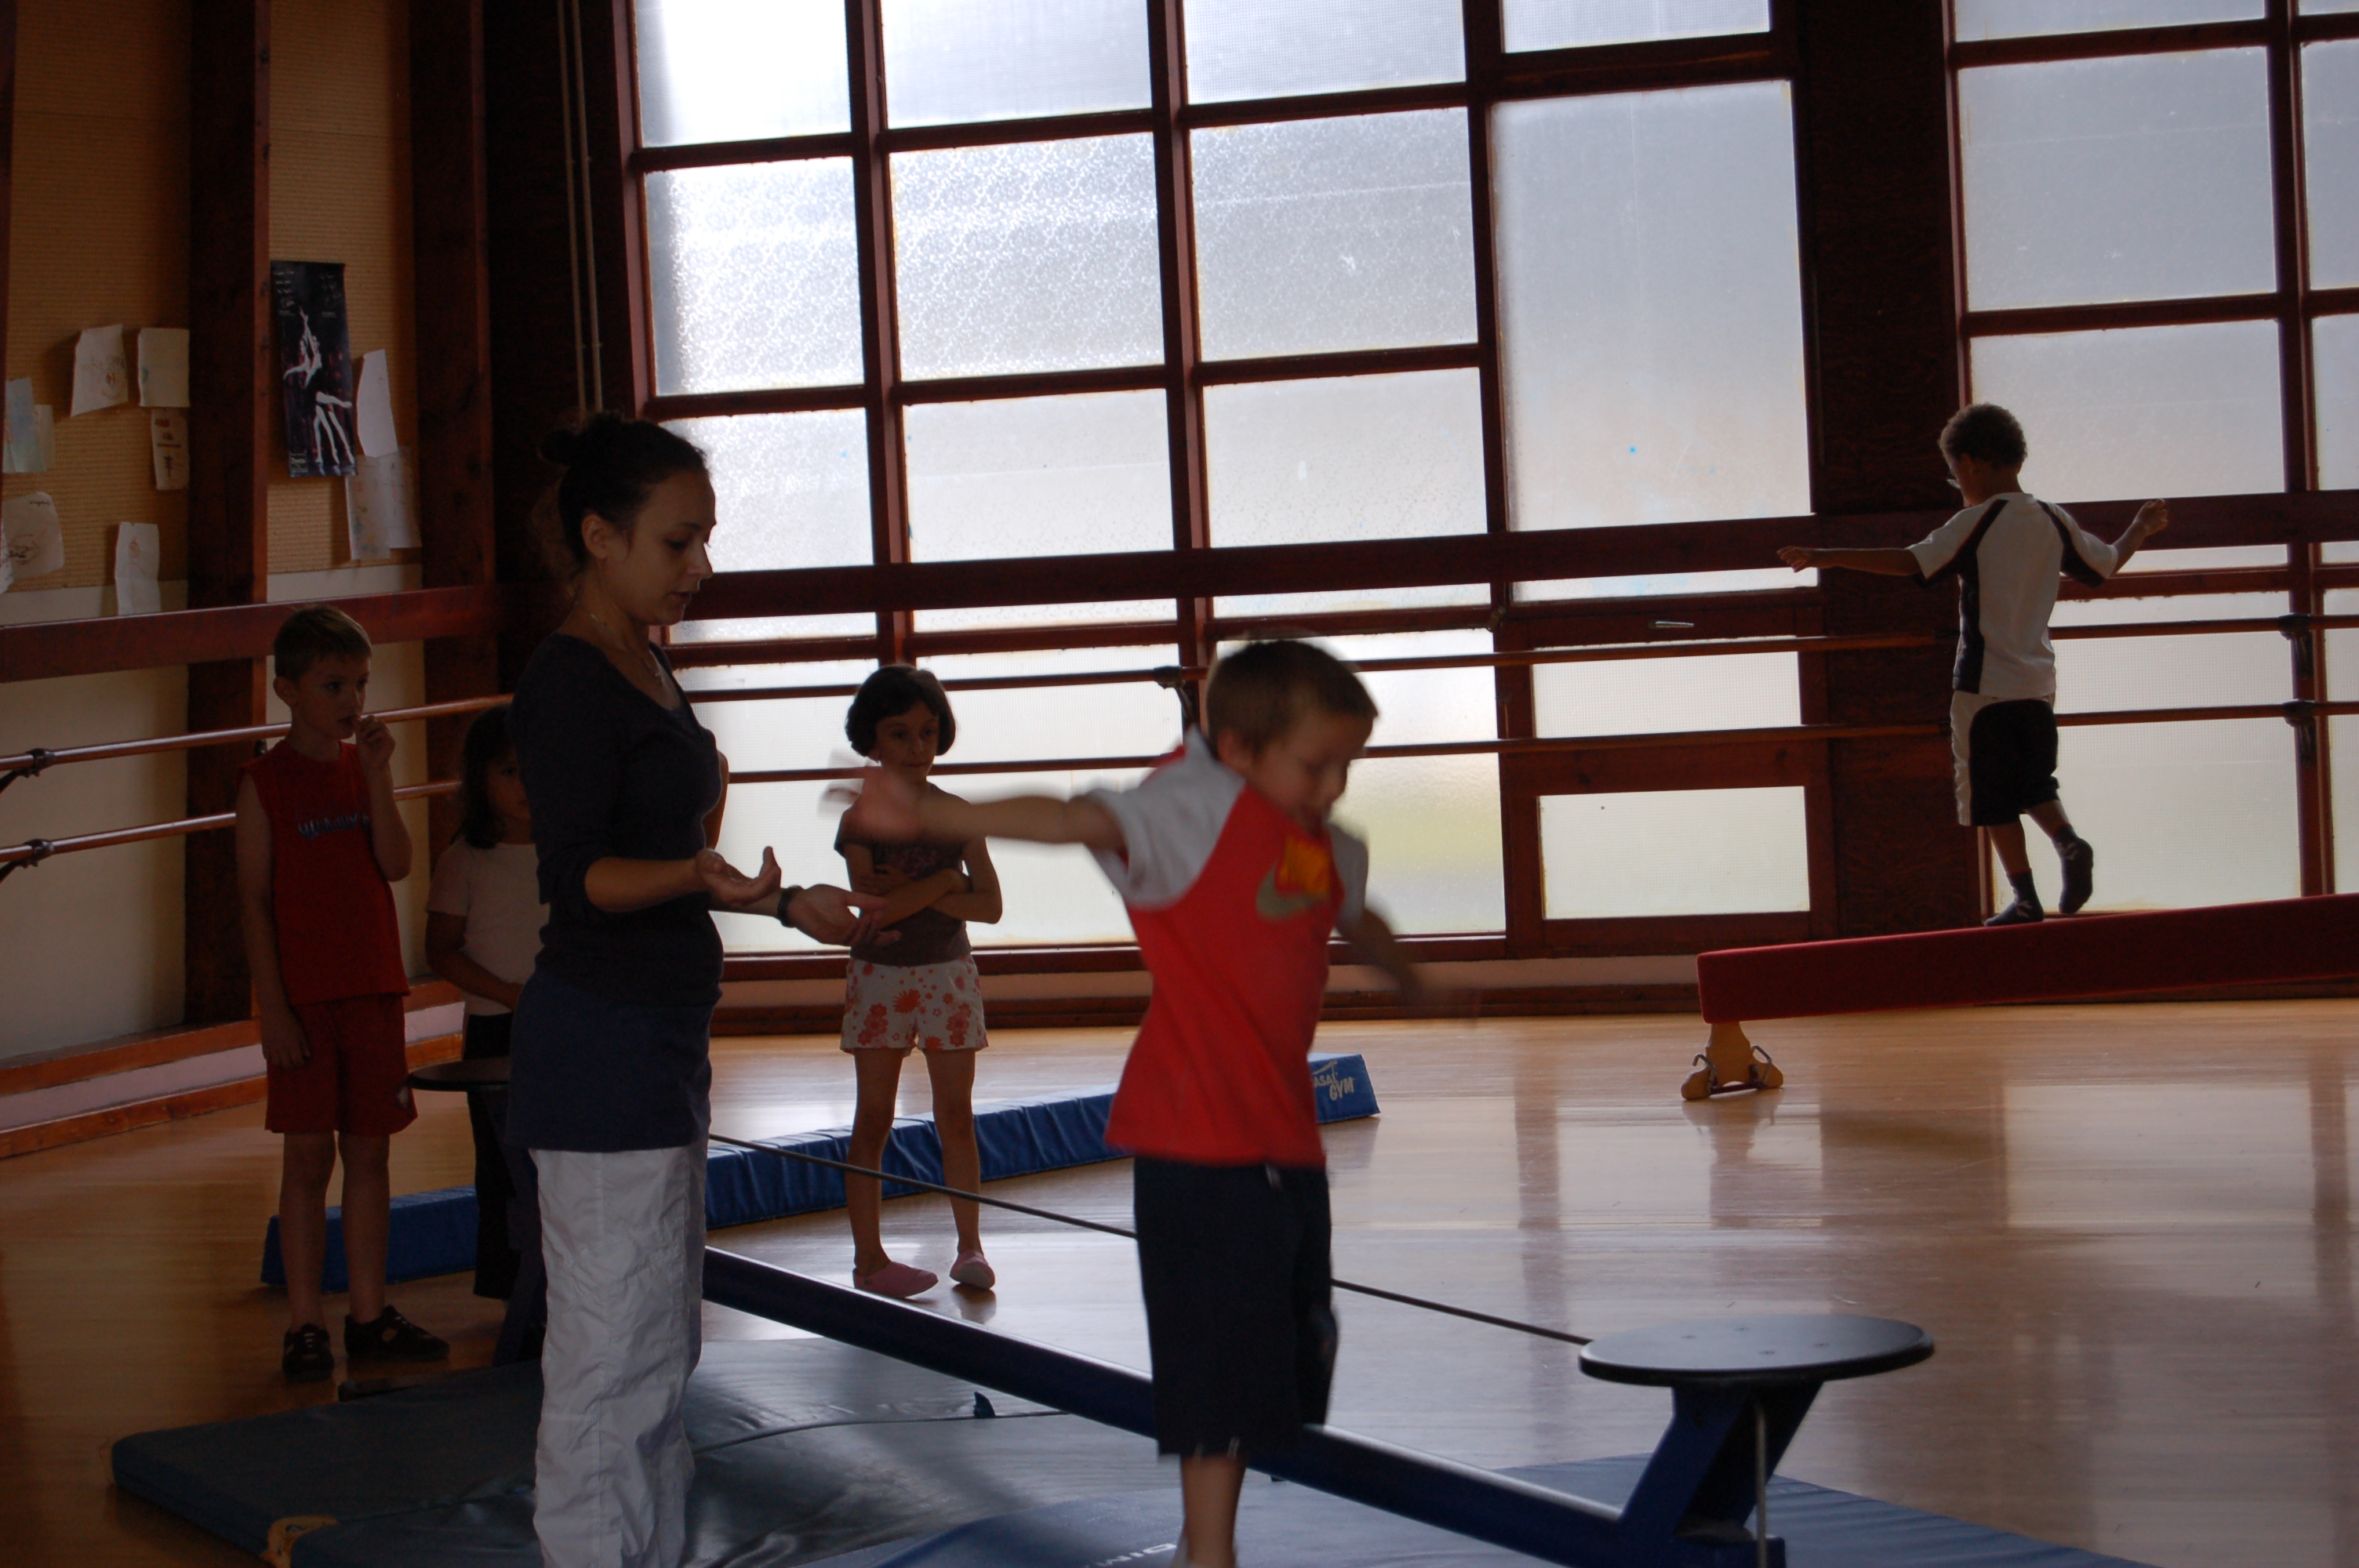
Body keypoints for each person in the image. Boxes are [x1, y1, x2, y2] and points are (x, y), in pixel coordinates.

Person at [844, 639, 1423, 1568]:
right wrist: (935, 810)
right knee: (1215, 1364)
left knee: (1288, 1351)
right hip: (1192, 1137)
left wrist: (1410, 973)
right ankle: (1210, 1549)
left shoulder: (1323, 842)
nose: (1333, 785)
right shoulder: (1188, 815)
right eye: (1316, 763)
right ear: (1238, 750)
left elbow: (1357, 910)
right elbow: (1072, 815)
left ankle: (1208, 1530)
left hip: (1283, 1143)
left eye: (1345, 764)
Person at [507, 413, 871, 1568]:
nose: (699, 565)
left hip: (659, 1037)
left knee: (662, 1347)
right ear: (599, 537)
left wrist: (779, 901)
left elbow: (672, 863)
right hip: (597, 1046)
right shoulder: (567, 679)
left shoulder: (647, 659)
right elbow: (581, 878)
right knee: (607, 1355)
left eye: (705, 538)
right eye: (678, 541)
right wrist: (698, 876)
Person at [1779, 402, 2170, 925]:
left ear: (1972, 462)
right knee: (2035, 783)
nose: (1957, 484)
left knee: (1992, 800)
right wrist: (2140, 527)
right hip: (2038, 685)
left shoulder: (1977, 521)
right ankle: (2068, 842)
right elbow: (2106, 565)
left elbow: (1912, 561)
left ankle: (2025, 899)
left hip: (1984, 686)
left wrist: (1830, 556)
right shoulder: (2053, 519)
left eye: (1954, 473)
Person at [235, 604, 447, 1381]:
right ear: (288, 690)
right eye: (333, 685)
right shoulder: (264, 782)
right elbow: (254, 901)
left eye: (360, 683)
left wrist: (381, 776)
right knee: (305, 1158)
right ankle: (304, 1322)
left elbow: (396, 863)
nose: (352, 699)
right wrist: (275, 1010)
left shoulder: (366, 766)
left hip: (372, 988)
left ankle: (367, 1313)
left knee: (369, 1153)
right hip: (305, 1000)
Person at [834, 666, 1004, 1298]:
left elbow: (991, 906)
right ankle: (869, 1258)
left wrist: (919, 890)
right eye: (900, 734)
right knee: (873, 1117)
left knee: (956, 1114)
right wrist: (946, 881)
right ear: (872, 740)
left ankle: (971, 1245)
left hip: (948, 975)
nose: (917, 747)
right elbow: (874, 910)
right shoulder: (862, 818)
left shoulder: (957, 812)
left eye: (928, 732)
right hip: (879, 977)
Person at [424, 704, 541, 1301]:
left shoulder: (570, 850)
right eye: (510, 772)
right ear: (481, 778)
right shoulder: (465, 858)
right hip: (497, 1027)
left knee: (563, 1157)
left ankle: (564, 1284)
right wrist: (509, 994)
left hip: (565, 1025)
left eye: (536, 768)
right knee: (502, 1162)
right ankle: (511, 1287)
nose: (526, 785)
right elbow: (441, 951)